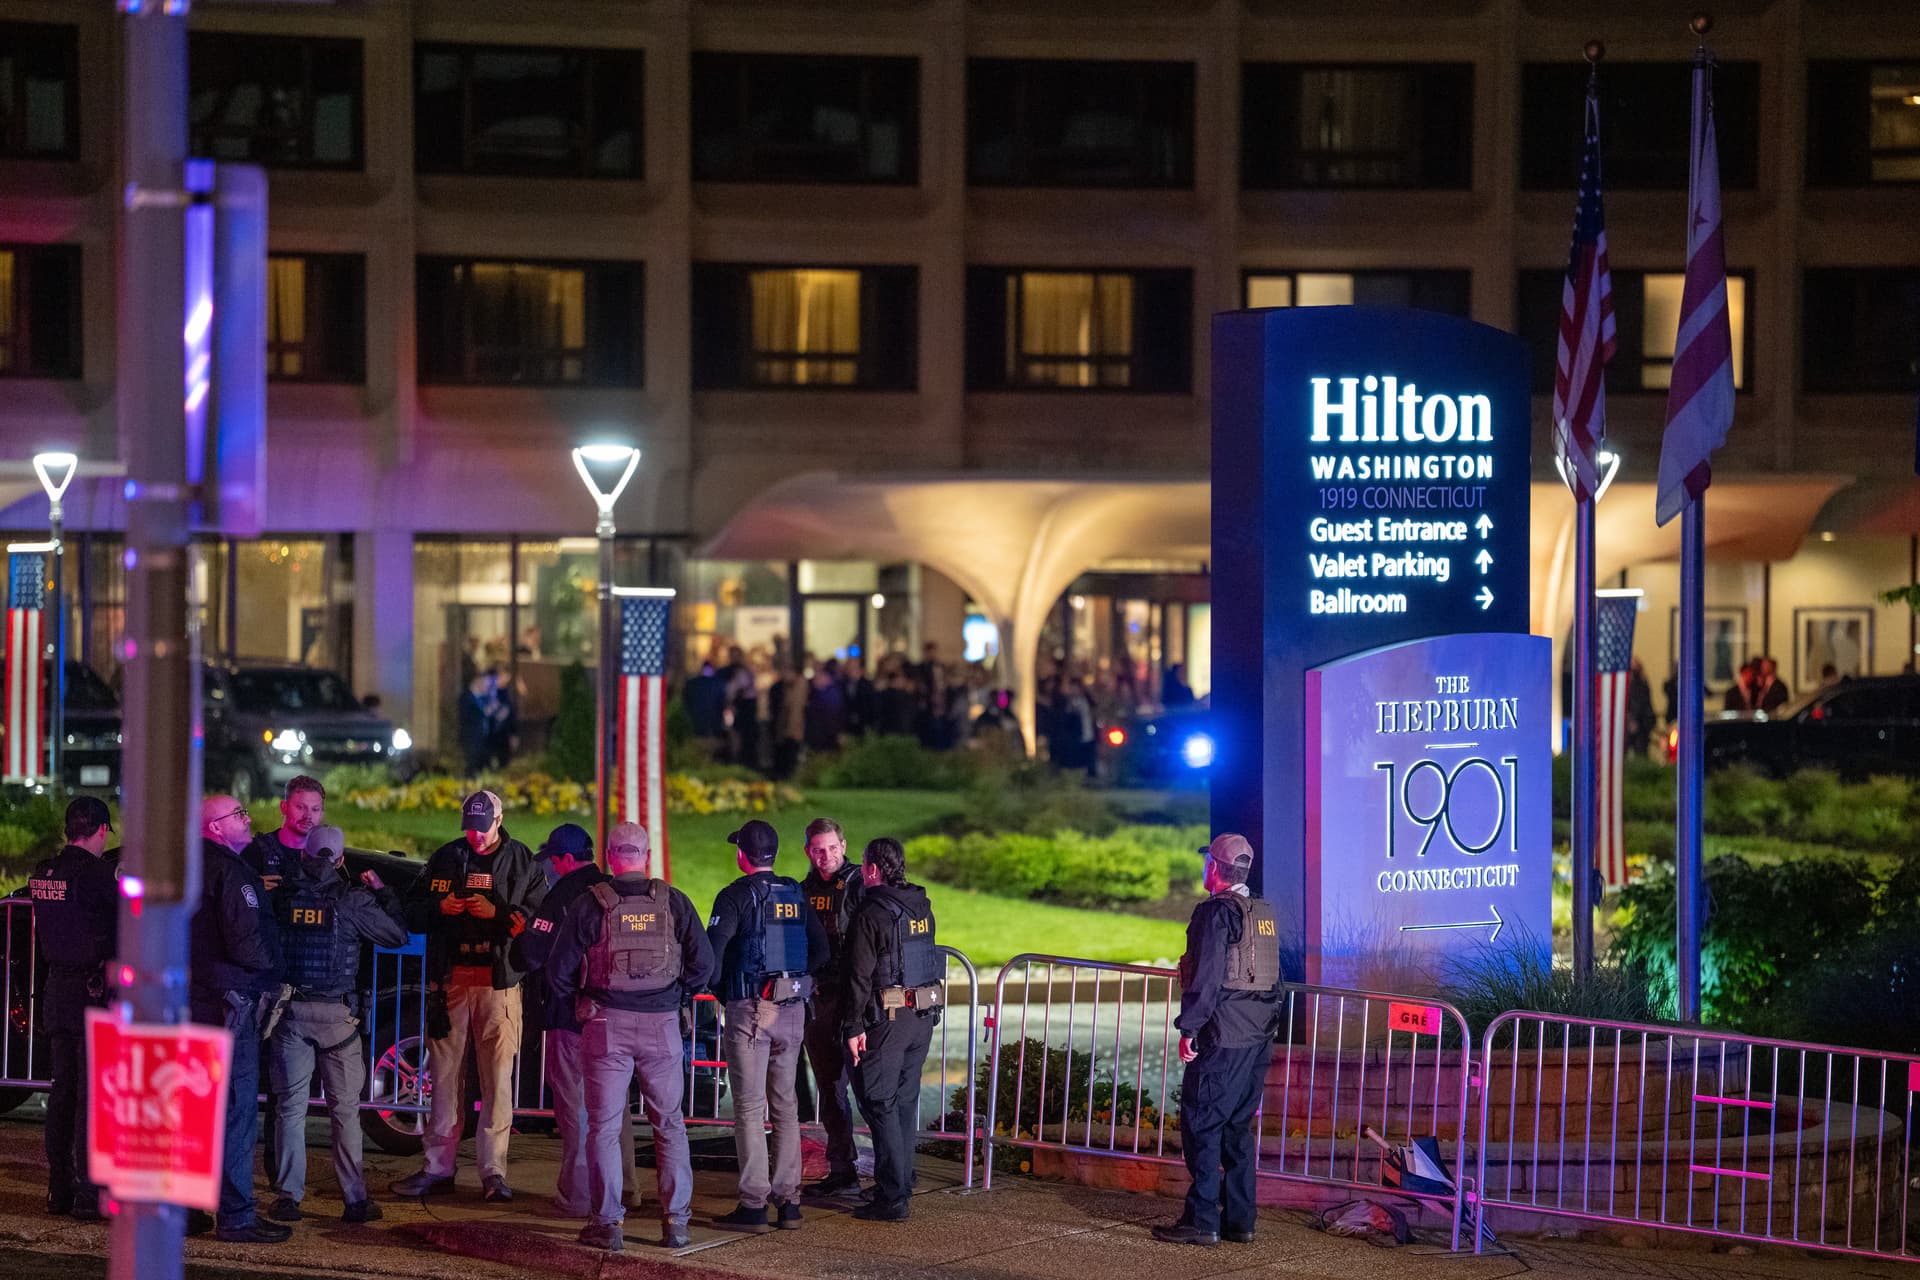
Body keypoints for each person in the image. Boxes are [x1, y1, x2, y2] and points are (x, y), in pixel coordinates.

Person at [545, 824, 715, 1251]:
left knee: (602, 1127)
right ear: (647, 855)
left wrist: (581, 1002)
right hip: (661, 1025)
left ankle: (607, 1223)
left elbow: (557, 970)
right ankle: (675, 1222)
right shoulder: (673, 901)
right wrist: (677, 995)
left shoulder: (590, 904)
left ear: (609, 855)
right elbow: (703, 962)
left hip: (606, 1025)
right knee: (669, 1124)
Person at [393, 790, 546, 1202]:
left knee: (497, 1081)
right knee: (443, 1080)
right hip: (449, 983)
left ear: (499, 821)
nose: (475, 837)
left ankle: (493, 1173)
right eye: (469, 828)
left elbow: (538, 919)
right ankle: (437, 1167)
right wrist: (441, 908)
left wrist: (494, 914)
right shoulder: (446, 857)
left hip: (498, 986)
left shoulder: (521, 861)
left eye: (482, 828)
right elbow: (412, 909)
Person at [265, 825, 408, 1225]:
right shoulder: (351, 900)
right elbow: (397, 935)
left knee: (290, 1109)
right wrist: (383, 891)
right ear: (341, 860)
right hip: (337, 1019)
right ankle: (354, 1200)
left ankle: (288, 1197)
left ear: (304, 856)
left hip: (290, 1012)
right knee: (344, 1111)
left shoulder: (282, 897)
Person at [1152, 834, 1283, 1248]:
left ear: (1214, 868)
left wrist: (1188, 1028)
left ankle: (1202, 1220)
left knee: (1203, 1127)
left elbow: (1206, 977)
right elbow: (1275, 981)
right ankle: (1240, 1222)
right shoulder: (1262, 912)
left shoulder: (1215, 914)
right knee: (1237, 1131)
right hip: (1257, 1039)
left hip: (1222, 1038)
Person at [508, 823, 637, 1218]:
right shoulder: (613, 889)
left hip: (571, 1017)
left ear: (564, 859)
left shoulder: (563, 894)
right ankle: (625, 1188)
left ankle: (579, 1195)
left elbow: (530, 954)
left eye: (553, 860)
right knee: (616, 1110)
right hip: (618, 1015)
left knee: (576, 1107)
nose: (551, 867)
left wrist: (520, 934)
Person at [705, 819, 828, 1232]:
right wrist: (792, 982)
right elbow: (821, 949)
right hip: (791, 1008)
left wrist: (727, 994)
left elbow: (713, 958)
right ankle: (789, 1202)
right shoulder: (795, 892)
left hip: (751, 1008)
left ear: (742, 854)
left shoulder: (735, 896)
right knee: (786, 1106)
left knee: (749, 1108)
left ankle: (754, 1203)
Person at [189, 794, 289, 1243]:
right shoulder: (231, 873)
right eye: (239, 815)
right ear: (215, 827)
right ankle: (236, 1215)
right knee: (234, 1111)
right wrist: (274, 967)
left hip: (190, 1000)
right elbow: (248, 944)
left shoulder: (184, 866)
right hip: (229, 1003)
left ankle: (189, 1208)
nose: (249, 821)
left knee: (194, 1109)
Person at [841, 837, 941, 1223]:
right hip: (921, 1017)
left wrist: (852, 1026)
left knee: (880, 1103)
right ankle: (901, 1178)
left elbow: (858, 976)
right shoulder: (922, 906)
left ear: (872, 869)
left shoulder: (872, 912)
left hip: (887, 1020)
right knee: (903, 1102)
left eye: (864, 866)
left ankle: (893, 1197)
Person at [32, 796, 117, 1220]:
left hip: (55, 993)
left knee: (62, 1092)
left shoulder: (44, 873)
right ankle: (89, 1191)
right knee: (89, 1096)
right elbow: (124, 923)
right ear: (101, 829)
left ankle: (57, 1188)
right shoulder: (99, 877)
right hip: (90, 993)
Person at [798, 817, 863, 1196]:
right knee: (830, 1089)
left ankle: (894, 1172)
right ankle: (842, 1168)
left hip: (853, 1001)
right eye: (818, 850)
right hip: (818, 999)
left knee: (867, 1090)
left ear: (844, 845)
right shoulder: (802, 890)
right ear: (808, 851)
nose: (826, 856)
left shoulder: (859, 886)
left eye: (832, 848)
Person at [246, 775, 326, 892]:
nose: (308, 816)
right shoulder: (257, 850)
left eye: (315, 809)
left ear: (321, 814)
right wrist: (251, 885)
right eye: (300, 807)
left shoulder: (326, 856)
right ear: (284, 807)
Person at [1625, 658, 1656, 757]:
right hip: (1632, 722)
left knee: (1640, 751)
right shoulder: (1632, 685)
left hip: (1641, 724)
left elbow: (1642, 704)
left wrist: (1634, 719)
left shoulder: (1640, 684)